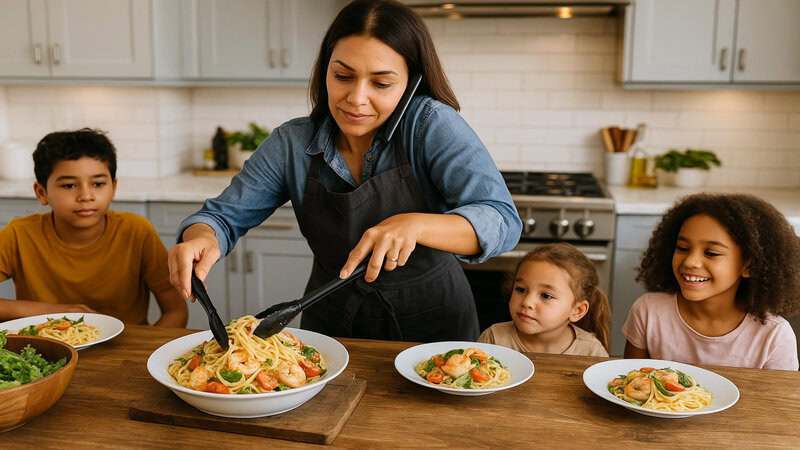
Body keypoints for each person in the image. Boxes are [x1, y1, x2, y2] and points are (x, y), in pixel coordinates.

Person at [168, 0, 521, 341]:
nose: (356, 97)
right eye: (342, 76)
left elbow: (502, 220)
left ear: (411, 82)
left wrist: (417, 224)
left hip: (432, 323)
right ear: (325, 70)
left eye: (381, 84)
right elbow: (223, 217)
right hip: (331, 322)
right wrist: (202, 237)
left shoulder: (431, 125)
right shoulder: (292, 143)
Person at [0, 128, 187, 327]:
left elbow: (175, 310)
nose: (86, 196)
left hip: (126, 354)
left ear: (113, 188)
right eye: (69, 186)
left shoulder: (136, 231)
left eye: (98, 184)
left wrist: (147, 354)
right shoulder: (19, 235)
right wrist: (59, 312)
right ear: (42, 192)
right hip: (46, 352)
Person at [624, 193, 800, 370]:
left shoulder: (774, 336)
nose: (690, 262)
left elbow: (780, 397)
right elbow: (630, 384)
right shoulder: (648, 312)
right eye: (682, 248)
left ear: (749, 266)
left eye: (711, 253)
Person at [478, 244, 609, 356]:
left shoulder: (591, 351)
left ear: (577, 310)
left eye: (546, 296)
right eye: (521, 289)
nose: (527, 302)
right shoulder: (493, 339)